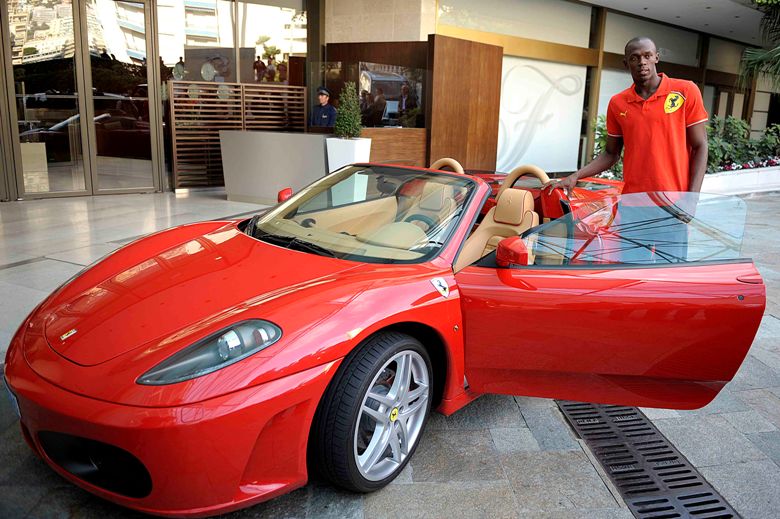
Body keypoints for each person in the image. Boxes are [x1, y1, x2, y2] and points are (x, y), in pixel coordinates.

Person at [544, 36, 708, 196]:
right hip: (632, 202)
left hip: (674, 204)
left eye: (647, 56)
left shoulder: (685, 91)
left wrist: (691, 199)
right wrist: (574, 176)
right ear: (626, 64)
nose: (642, 62)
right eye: (634, 58)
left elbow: (700, 145)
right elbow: (611, 153)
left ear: (656, 58)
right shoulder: (618, 103)